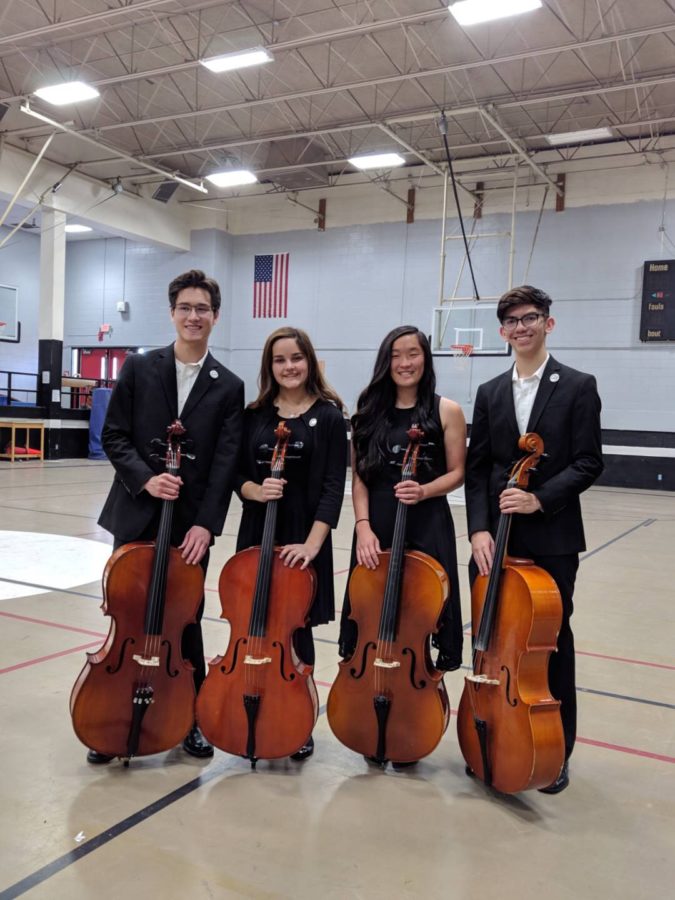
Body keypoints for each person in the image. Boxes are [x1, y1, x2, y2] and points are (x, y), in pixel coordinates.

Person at [91, 268, 244, 763]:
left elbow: (224, 464)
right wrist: (145, 478)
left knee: (186, 619)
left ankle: (190, 719)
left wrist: (205, 523)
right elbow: (114, 435)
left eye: (203, 309)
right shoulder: (138, 368)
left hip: (189, 527)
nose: (193, 316)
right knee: (128, 613)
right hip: (135, 514)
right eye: (185, 307)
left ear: (215, 317)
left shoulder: (229, 386)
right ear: (172, 312)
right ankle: (113, 712)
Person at [465, 284, 603, 793]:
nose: (521, 327)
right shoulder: (490, 392)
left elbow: (590, 461)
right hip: (494, 541)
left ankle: (555, 748)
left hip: (552, 537)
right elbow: (478, 468)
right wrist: (478, 527)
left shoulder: (578, 385)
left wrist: (539, 498)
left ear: (549, 322)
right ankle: (491, 734)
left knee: (549, 642)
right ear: (502, 332)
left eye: (531, 318)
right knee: (493, 641)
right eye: (512, 321)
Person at [234, 326, 347, 761]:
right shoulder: (255, 415)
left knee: (296, 630)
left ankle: (299, 720)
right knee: (254, 624)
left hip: (305, 536)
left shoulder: (331, 416)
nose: (289, 367)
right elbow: (236, 475)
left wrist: (314, 545)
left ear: (309, 361)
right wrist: (255, 491)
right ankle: (248, 702)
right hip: (258, 532)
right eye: (280, 360)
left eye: (296, 358)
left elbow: (334, 486)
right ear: (270, 366)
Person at [339, 325, 467, 700]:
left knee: (422, 616)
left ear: (425, 359)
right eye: (396, 355)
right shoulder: (368, 411)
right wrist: (362, 526)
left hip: (427, 523)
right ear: (385, 361)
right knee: (371, 616)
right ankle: (369, 701)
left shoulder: (447, 410)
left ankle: (414, 705)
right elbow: (359, 477)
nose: (405, 362)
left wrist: (425, 489)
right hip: (376, 524)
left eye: (413, 353)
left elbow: (458, 473)